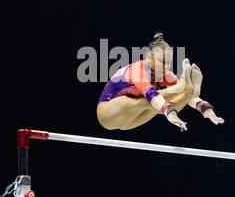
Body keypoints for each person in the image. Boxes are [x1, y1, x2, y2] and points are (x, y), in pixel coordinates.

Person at [96, 32, 224, 131]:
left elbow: (163, 101)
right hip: (107, 113)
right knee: (149, 101)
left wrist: (206, 110)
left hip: (130, 121)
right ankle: (181, 89)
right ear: (148, 57)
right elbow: (150, 94)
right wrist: (170, 111)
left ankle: (189, 92)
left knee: (160, 104)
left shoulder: (165, 75)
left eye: (168, 63)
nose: (165, 66)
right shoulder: (137, 70)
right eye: (162, 61)